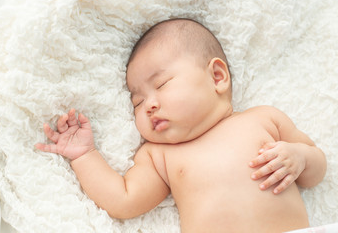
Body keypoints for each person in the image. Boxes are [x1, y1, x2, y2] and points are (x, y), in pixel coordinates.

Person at [35, 18, 327, 233]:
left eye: (161, 84)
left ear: (216, 77)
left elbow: (317, 168)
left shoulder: (263, 119)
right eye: (137, 102)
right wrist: (85, 155)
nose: (148, 104)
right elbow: (123, 200)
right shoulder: (159, 154)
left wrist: (299, 158)